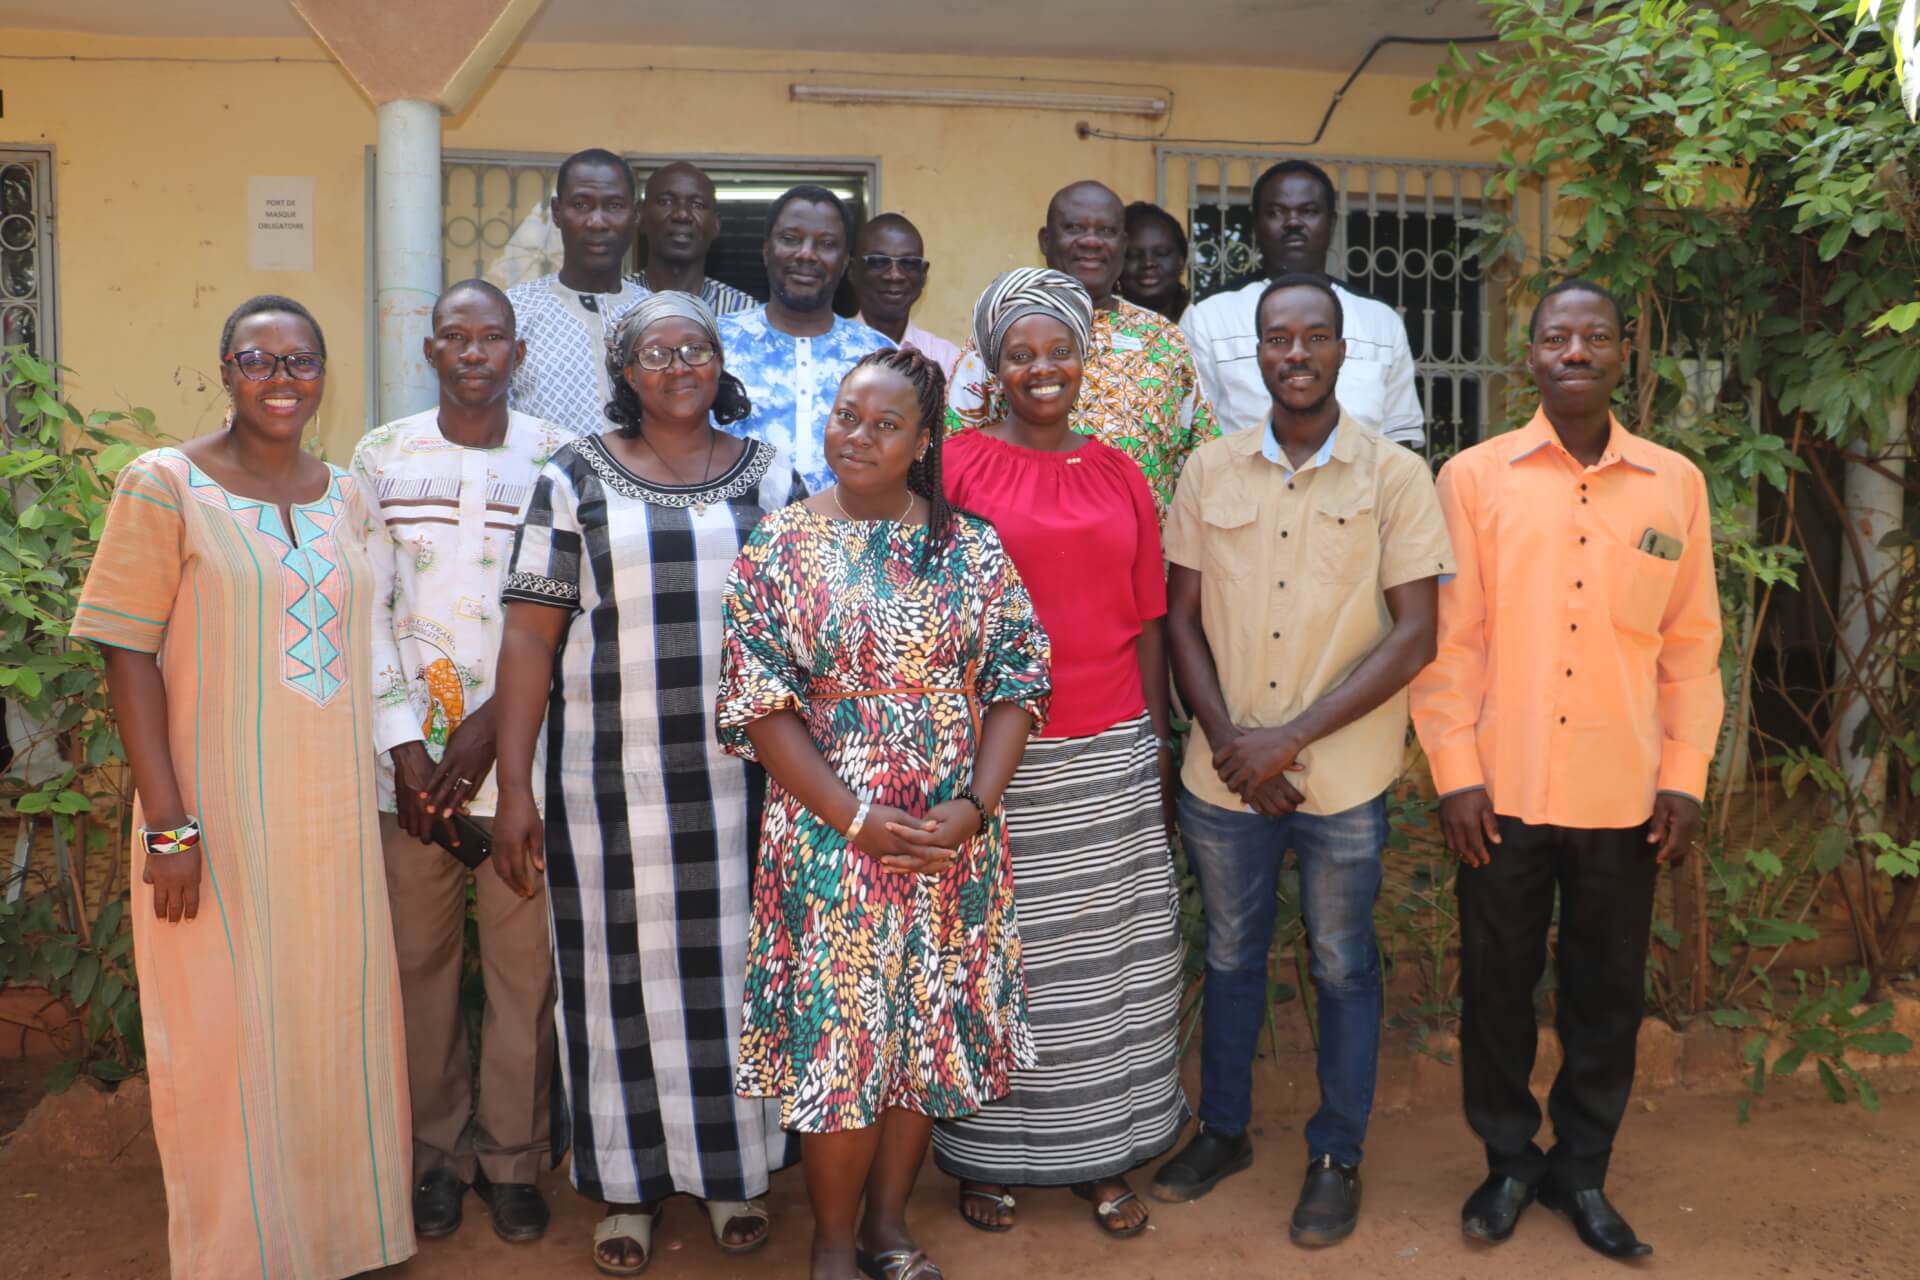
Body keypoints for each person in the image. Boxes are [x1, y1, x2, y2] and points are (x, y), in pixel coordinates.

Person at [73, 296, 413, 1278]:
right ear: (225, 369)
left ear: (322, 375)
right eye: (258, 359)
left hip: (332, 821)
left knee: (332, 1021)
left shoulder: (348, 496)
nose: (281, 378)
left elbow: (375, 641)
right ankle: (238, 1250)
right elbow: (127, 652)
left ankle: (343, 1237)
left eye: (301, 361)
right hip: (212, 819)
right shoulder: (164, 484)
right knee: (221, 1032)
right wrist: (169, 828)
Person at [717, 346, 1050, 1280]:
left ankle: (887, 1228)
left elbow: (1020, 680)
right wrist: (854, 816)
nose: (857, 436)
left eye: (885, 424)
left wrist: (974, 807)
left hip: (946, 837)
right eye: (845, 415)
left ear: (923, 441)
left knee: (921, 1028)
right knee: (845, 1036)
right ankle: (831, 1240)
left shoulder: (969, 546)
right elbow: (758, 703)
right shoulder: (780, 544)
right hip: (831, 832)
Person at [490, 292, 806, 1276]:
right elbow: (528, 638)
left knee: (738, 976)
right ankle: (626, 1188)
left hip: (746, 784)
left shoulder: (772, 475)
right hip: (607, 785)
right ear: (625, 371)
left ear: (720, 362)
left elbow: (811, 632)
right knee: (611, 978)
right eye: (656, 352)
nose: (679, 366)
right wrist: (515, 789)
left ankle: (732, 1172)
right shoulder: (573, 477)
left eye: (696, 348)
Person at [1410, 279, 1722, 1261]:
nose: (1575, 351)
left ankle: (1582, 1168)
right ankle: (1509, 1160)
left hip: (1624, 792)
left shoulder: (1675, 483)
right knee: (1496, 988)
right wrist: (1456, 773)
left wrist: (1684, 776)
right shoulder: (1474, 478)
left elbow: (1691, 646)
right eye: (1556, 336)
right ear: (1531, 353)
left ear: (1625, 352)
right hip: (1499, 791)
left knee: (1606, 994)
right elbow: (1451, 643)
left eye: (1595, 336)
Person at [1153, 276, 1453, 1246]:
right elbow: (1179, 621)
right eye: (1277, 338)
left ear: (1340, 351)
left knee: (1342, 963)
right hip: (1225, 773)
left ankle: (1336, 1155)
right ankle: (1224, 1131)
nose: (1295, 353)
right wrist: (1232, 742)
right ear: (1257, 353)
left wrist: (1289, 739)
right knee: (1231, 954)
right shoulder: (1209, 470)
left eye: (1313, 336)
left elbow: (1416, 634)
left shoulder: (1396, 476)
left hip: (1345, 777)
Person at [937, 268, 1188, 1241]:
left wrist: (1156, 741)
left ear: (1085, 360)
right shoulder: (955, 466)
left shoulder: (1121, 472)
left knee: (1106, 961)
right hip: (996, 761)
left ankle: (1104, 1153)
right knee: (1000, 956)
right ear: (992, 366)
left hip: (1111, 749)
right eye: (1021, 353)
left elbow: (1149, 618)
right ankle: (987, 1156)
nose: (1042, 368)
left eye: (1059, 351)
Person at [350, 279, 565, 1246]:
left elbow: (571, 615)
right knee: (419, 969)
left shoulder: (560, 457)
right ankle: (435, 1158)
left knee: (524, 975)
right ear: (430, 350)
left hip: (526, 770)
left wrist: (491, 733)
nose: (475, 352)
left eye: (493, 338)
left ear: (518, 353)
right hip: (410, 776)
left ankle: (514, 1162)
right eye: (456, 337)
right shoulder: (381, 458)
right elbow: (364, 609)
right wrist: (404, 747)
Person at [947, 181, 1218, 515]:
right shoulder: (1001, 333)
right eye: (1074, 228)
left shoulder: (1165, 340)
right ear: (1045, 240)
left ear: (1123, 245)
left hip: (1139, 544)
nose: (1091, 241)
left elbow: (1202, 460)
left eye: (1106, 231)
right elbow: (955, 451)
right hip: (1016, 540)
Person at [1181, 159, 1426, 448]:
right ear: (1256, 225)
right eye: (1276, 212)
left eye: (1309, 211)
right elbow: (1191, 432)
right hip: (1246, 477)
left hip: (1362, 478)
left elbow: (1401, 435)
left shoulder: (1380, 320)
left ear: (1331, 223)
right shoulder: (1209, 318)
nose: (1293, 222)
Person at [718, 185, 895, 493]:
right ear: (766, 250)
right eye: (790, 239)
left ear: (845, 261)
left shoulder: (880, 356)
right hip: (735, 522)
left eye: (826, 244)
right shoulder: (716, 343)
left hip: (852, 523)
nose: (806, 254)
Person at [507, 148, 649, 433]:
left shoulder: (657, 316)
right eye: (581, 205)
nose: (597, 222)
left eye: (614, 206)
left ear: (635, 214)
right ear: (557, 212)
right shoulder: (514, 312)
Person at [629, 161, 757, 315]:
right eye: (666, 202)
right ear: (640, 216)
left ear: (716, 225)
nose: (682, 215)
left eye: (698, 205)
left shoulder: (744, 311)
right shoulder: (610, 304)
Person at [850, 212, 962, 379]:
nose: (894, 275)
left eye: (909, 263)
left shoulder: (947, 361)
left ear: (923, 275)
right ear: (853, 271)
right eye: (879, 262)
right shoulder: (826, 353)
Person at [1119, 201, 1190, 322]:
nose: (1148, 263)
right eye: (1133, 255)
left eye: (1161, 253)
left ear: (1181, 261)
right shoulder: (1095, 327)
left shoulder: (1204, 324)